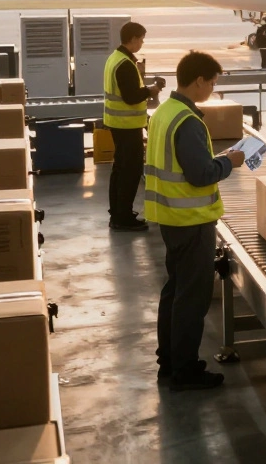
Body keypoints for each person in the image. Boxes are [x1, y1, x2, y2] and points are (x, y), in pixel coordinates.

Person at [146, 51, 245, 391]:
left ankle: (169, 362)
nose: (213, 89)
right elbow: (200, 174)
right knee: (192, 297)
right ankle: (186, 371)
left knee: (174, 291)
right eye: (213, 82)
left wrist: (215, 159)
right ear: (199, 80)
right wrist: (230, 162)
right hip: (191, 221)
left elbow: (183, 164)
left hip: (170, 218)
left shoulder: (164, 113)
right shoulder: (188, 121)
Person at [104, 21, 163, 232]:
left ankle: (118, 212)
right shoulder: (125, 64)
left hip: (118, 124)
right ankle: (123, 217)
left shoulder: (115, 58)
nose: (142, 42)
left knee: (119, 169)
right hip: (127, 126)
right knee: (130, 171)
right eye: (141, 39)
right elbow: (130, 97)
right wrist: (151, 90)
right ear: (133, 39)